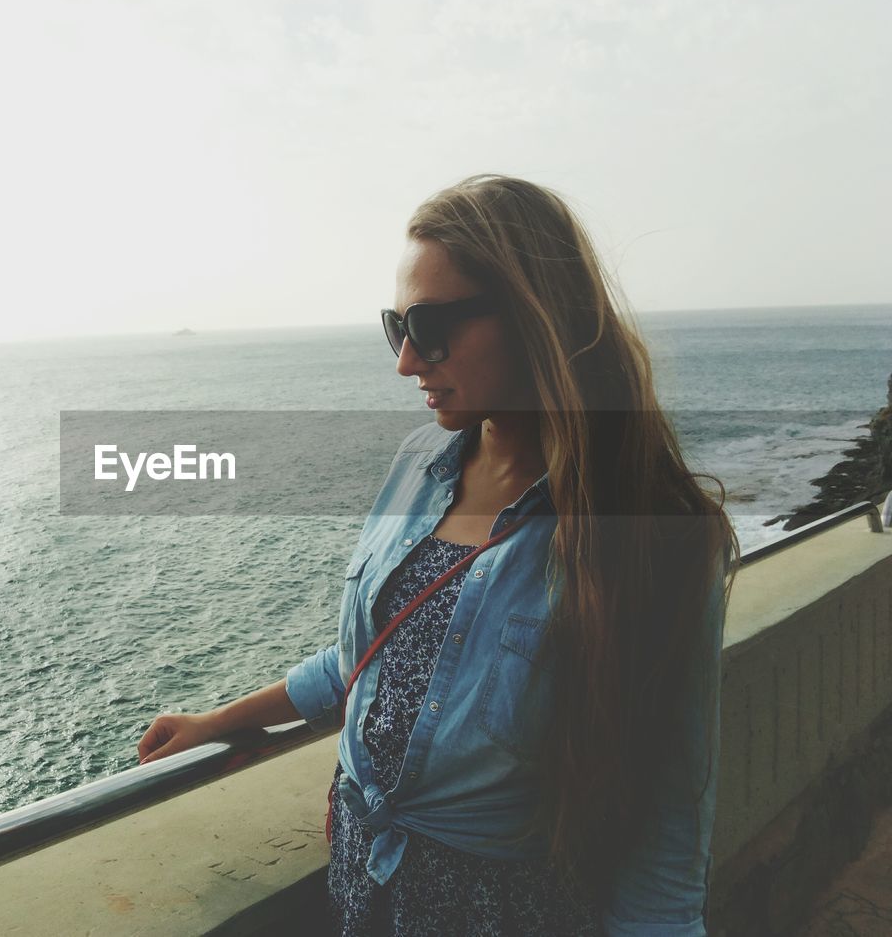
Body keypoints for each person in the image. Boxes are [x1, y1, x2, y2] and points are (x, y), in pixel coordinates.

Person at [137, 174, 739, 937]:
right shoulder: (420, 462)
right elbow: (367, 658)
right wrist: (220, 719)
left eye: (429, 325)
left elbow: (668, 828)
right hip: (365, 888)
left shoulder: (652, 532)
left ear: (533, 316)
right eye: (397, 326)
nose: (407, 361)